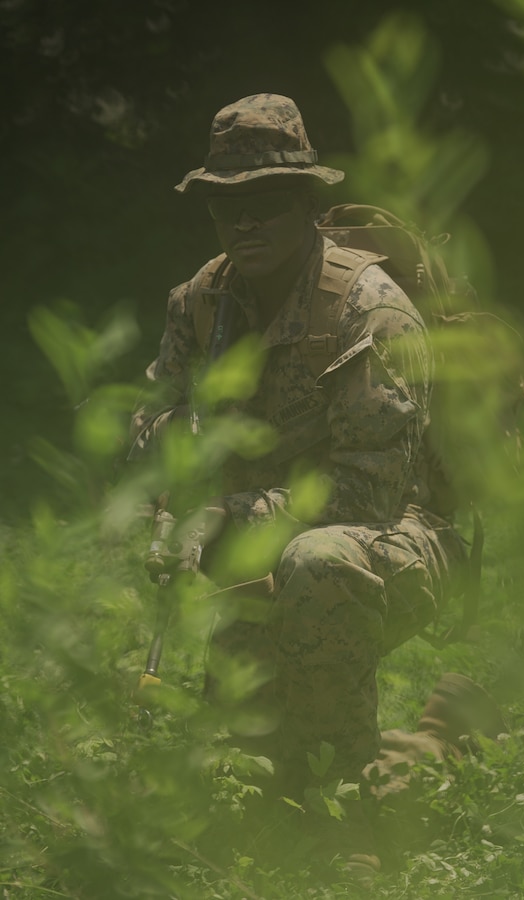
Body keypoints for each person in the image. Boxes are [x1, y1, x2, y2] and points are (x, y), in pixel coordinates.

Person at [130, 92, 481, 876]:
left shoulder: (371, 309)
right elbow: (161, 418)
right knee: (264, 777)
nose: (244, 224)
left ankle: (353, 821)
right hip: (260, 540)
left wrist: (222, 512)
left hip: (397, 538)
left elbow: (369, 496)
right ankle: (440, 727)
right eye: (226, 207)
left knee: (316, 563)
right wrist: (164, 490)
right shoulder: (200, 302)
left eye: (266, 203)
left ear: (308, 204)